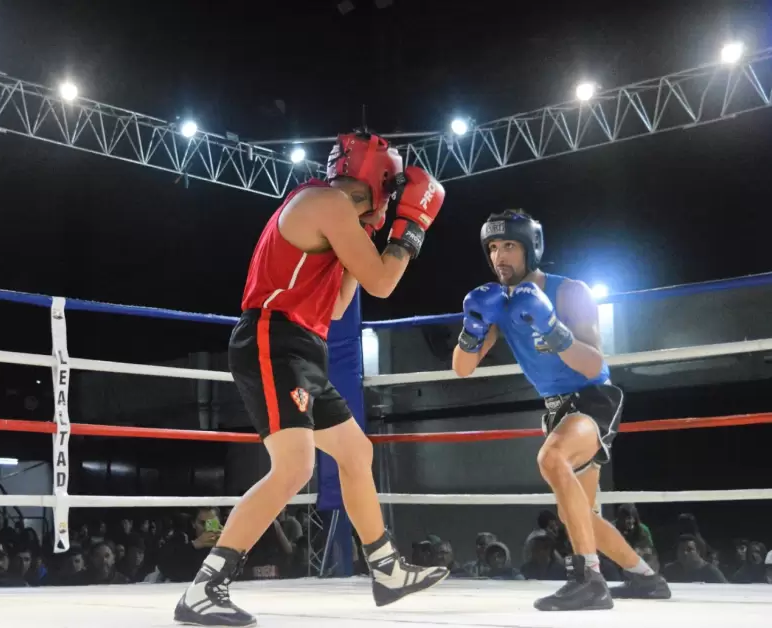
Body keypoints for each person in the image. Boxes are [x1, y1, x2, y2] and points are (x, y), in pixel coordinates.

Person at [174, 131, 449, 626]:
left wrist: (369, 238)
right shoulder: (323, 202)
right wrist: (411, 227)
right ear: (382, 182)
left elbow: (343, 303)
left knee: (355, 451)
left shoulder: (341, 217)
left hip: (302, 347)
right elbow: (385, 283)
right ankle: (204, 587)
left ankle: (385, 570)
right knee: (293, 467)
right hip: (272, 339)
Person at [451, 209, 671, 612]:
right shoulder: (498, 304)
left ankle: (589, 578)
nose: (500, 256)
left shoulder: (569, 291)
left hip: (592, 400)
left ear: (532, 248)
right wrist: (473, 328)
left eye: (510, 246)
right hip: (557, 410)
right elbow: (462, 369)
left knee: (551, 459)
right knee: (577, 517)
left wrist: (551, 327)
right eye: (493, 247)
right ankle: (645, 577)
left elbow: (593, 364)